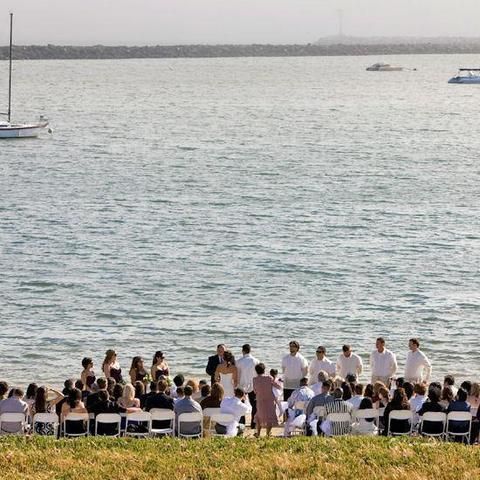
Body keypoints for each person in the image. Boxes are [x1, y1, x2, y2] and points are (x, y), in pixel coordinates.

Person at [253, 363, 282, 437]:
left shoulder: (255, 379)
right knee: (270, 416)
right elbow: (278, 386)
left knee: (259, 415)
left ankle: (258, 433)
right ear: (264, 370)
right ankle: (268, 433)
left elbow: (255, 391)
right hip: (269, 399)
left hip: (260, 399)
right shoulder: (269, 378)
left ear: (256, 371)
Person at [236, 344, 259, 429]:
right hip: (253, 385)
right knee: (254, 405)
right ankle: (253, 423)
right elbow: (257, 374)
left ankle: (242, 423)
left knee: (240, 405)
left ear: (243, 351)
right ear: (250, 350)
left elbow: (237, 375)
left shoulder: (238, 361)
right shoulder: (256, 361)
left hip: (241, 386)